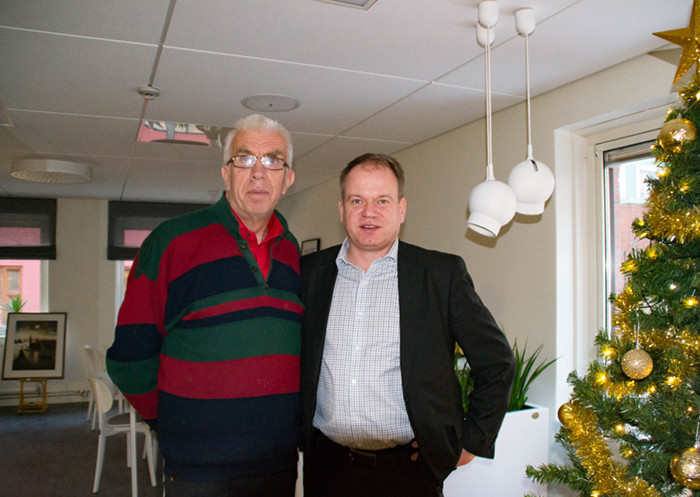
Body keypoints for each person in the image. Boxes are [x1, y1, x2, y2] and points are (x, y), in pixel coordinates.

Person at [107, 114, 303, 497]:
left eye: (273, 160)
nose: (259, 173)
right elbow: (129, 357)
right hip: (198, 468)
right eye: (245, 159)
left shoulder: (292, 253)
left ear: (288, 179)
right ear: (226, 173)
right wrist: (171, 422)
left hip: (276, 463)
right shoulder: (173, 241)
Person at [300, 153, 515, 497]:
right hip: (327, 468)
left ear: (401, 209)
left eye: (382, 200)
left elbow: (496, 361)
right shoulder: (310, 273)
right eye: (357, 200)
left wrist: (472, 441)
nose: (369, 212)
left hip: (409, 472)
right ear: (341, 208)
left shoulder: (440, 275)